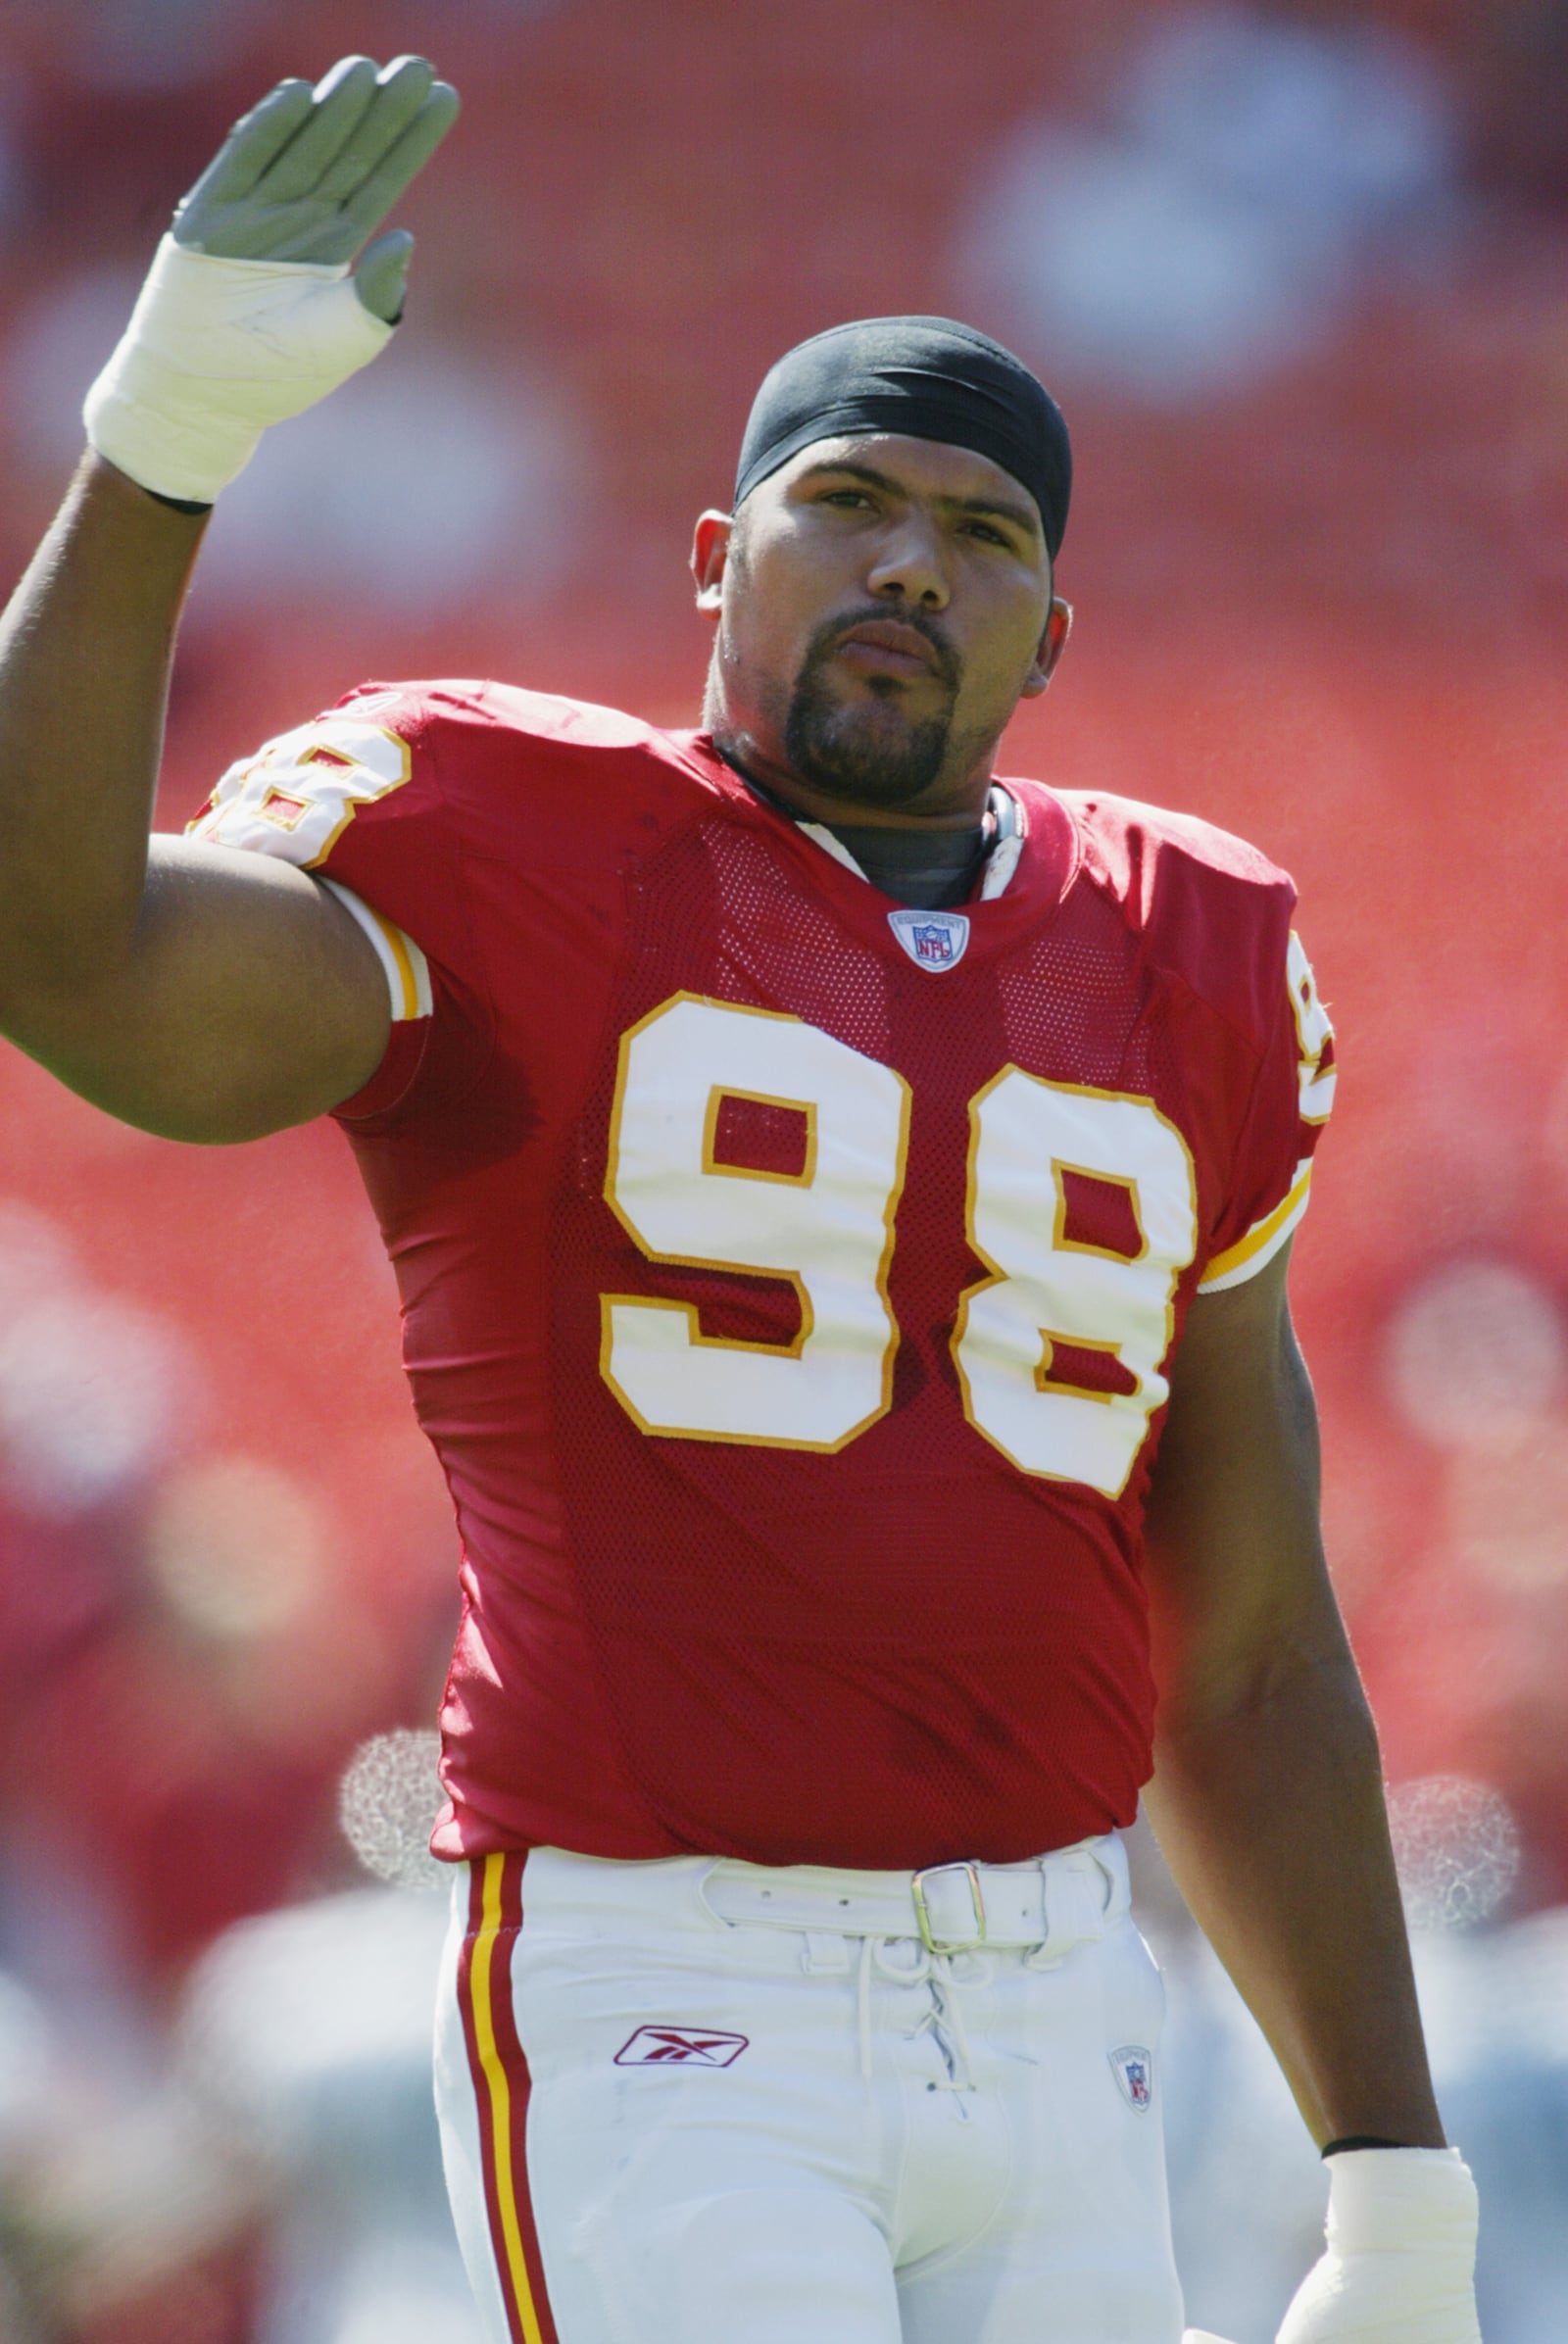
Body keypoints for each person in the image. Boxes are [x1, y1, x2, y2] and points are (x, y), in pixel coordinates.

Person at [0, 54, 1483, 2344]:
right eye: (848, 498)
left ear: (1047, 632)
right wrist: (161, 445)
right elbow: (64, 960)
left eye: (982, 531)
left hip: (1068, 1992)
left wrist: (1391, 2177)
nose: (910, 558)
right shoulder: (505, 829)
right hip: (658, 1973)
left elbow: (1254, 1636)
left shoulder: (1190, 942)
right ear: (720, 556)